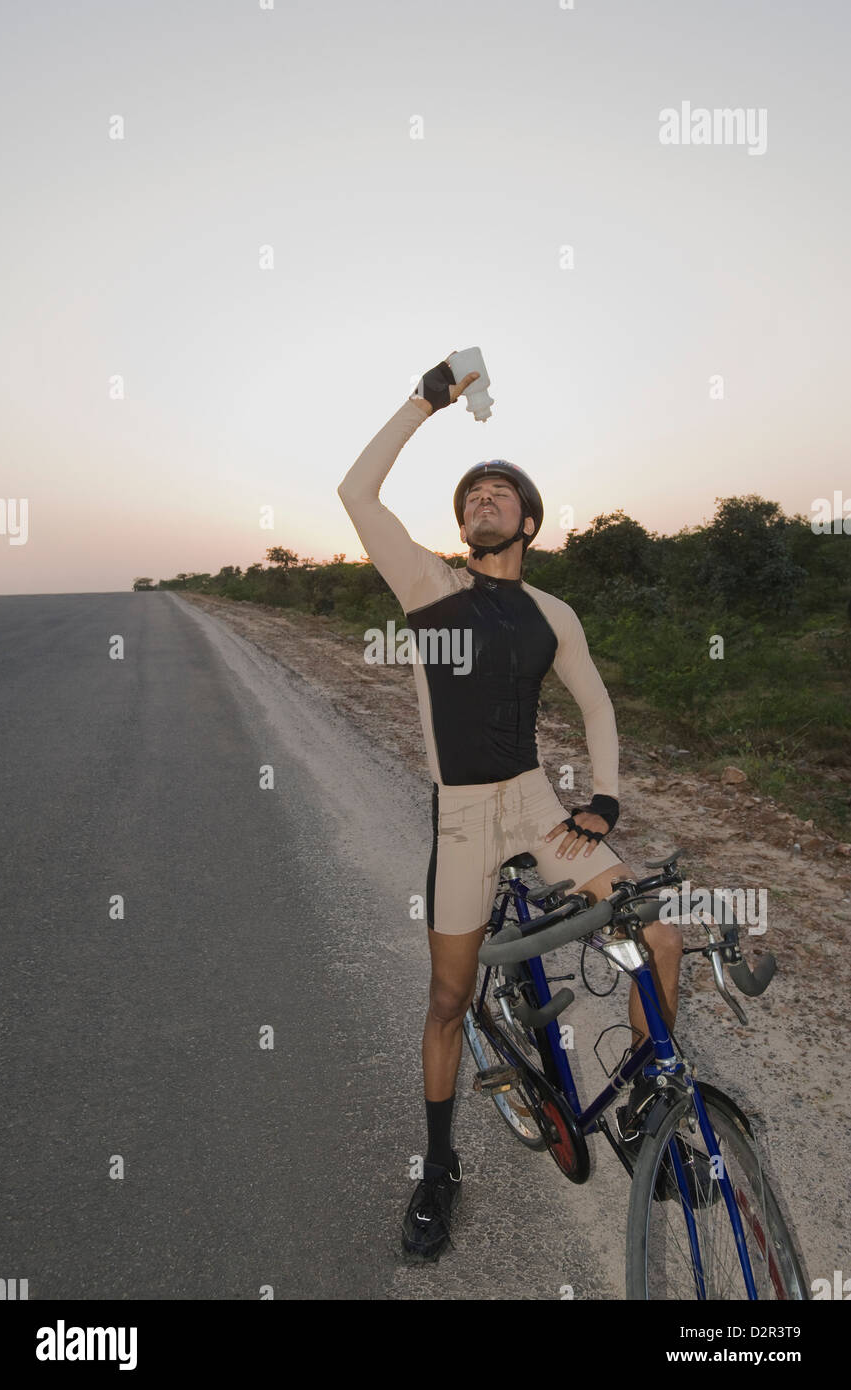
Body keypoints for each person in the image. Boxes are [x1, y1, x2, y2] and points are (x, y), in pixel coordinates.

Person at [337, 352, 683, 1260]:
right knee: (448, 997)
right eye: (472, 495)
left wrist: (603, 801)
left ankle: (653, 1102)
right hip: (460, 816)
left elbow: (595, 704)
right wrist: (424, 402)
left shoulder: (550, 611)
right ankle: (439, 1167)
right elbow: (356, 492)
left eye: (499, 493)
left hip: (534, 802)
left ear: (526, 519)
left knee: (661, 936)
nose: (481, 501)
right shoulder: (429, 586)